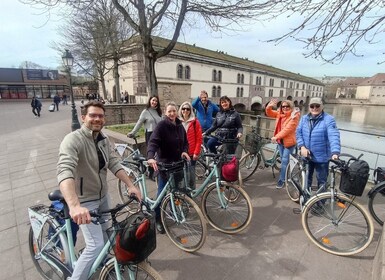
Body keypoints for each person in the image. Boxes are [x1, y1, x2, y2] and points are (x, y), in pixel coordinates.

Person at [57, 100, 141, 280]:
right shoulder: (73, 140)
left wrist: (130, 185)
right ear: (83, 118)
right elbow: (65, 171)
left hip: (103, 196)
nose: (97, 119)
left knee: (108, 232)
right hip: (85, 201)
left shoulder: (102, 139)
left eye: (101, 116)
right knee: (95, 245)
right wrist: (74, 206)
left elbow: (113, 162)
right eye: (93, 115)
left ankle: (104, 263)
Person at [147, 101, 190, 233]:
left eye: (174, 111)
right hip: (165, 165)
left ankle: (172, 208)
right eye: (169, 111)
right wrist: (150, 156)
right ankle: (158, 218)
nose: (172, 113)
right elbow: (153, 142)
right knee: (161, 193)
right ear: (165, 112)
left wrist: (184, 151)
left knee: (175, 189)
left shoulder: (179, 125)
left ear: (177, 112)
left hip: (177, 164)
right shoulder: (161, 126)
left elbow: (185, 142)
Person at [296, 97, 341, 190]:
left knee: (322, 181)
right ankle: (305, 200)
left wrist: (335, 152)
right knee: (306, 179)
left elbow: (334, 135)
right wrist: (302, 146)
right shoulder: (304, 118)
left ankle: (320, 203)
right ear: (309, 107)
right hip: (306, 155)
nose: (314, 108)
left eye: (317, 106)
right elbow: (298, 133)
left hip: (322, 157)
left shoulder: (328, 119)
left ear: (322, 106)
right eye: (312, 106)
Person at [265, 99, 300, 189]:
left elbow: (287, 129)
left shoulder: (294, 116)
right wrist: (269, 106)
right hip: (280, 142)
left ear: (291, 107)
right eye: (283, 106)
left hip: (289, 143)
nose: (285, 108)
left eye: (287, 106)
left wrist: (276, 137)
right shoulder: (279, 114)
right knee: (283, 159)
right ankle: (289, 172)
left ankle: (282, 180)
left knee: (284, 161)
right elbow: (269, 113)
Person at [127, 96, 162, 181]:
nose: (154, 102)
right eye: (153, 100)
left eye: (156, 101)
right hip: (150, 134)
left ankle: (157, 171)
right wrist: (132, 132)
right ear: (150, 101)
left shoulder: (158, 112)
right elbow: (139, 123)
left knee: (159, 154)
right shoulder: (145, 112)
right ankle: (151, 173)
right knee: (152, 154)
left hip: (159, 135)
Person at [178, 101, 203, 190]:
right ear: (181, 110)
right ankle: (182, 193)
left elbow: (199, 139)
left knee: (191, 174)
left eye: (188, 109)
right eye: (183, 108)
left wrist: (196, 152)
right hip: (180, 153)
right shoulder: (177, 122)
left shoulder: (195, 122)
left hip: (191, 153)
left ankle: (191, 193)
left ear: (191, 110)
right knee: (181, 174)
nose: (185, 110)